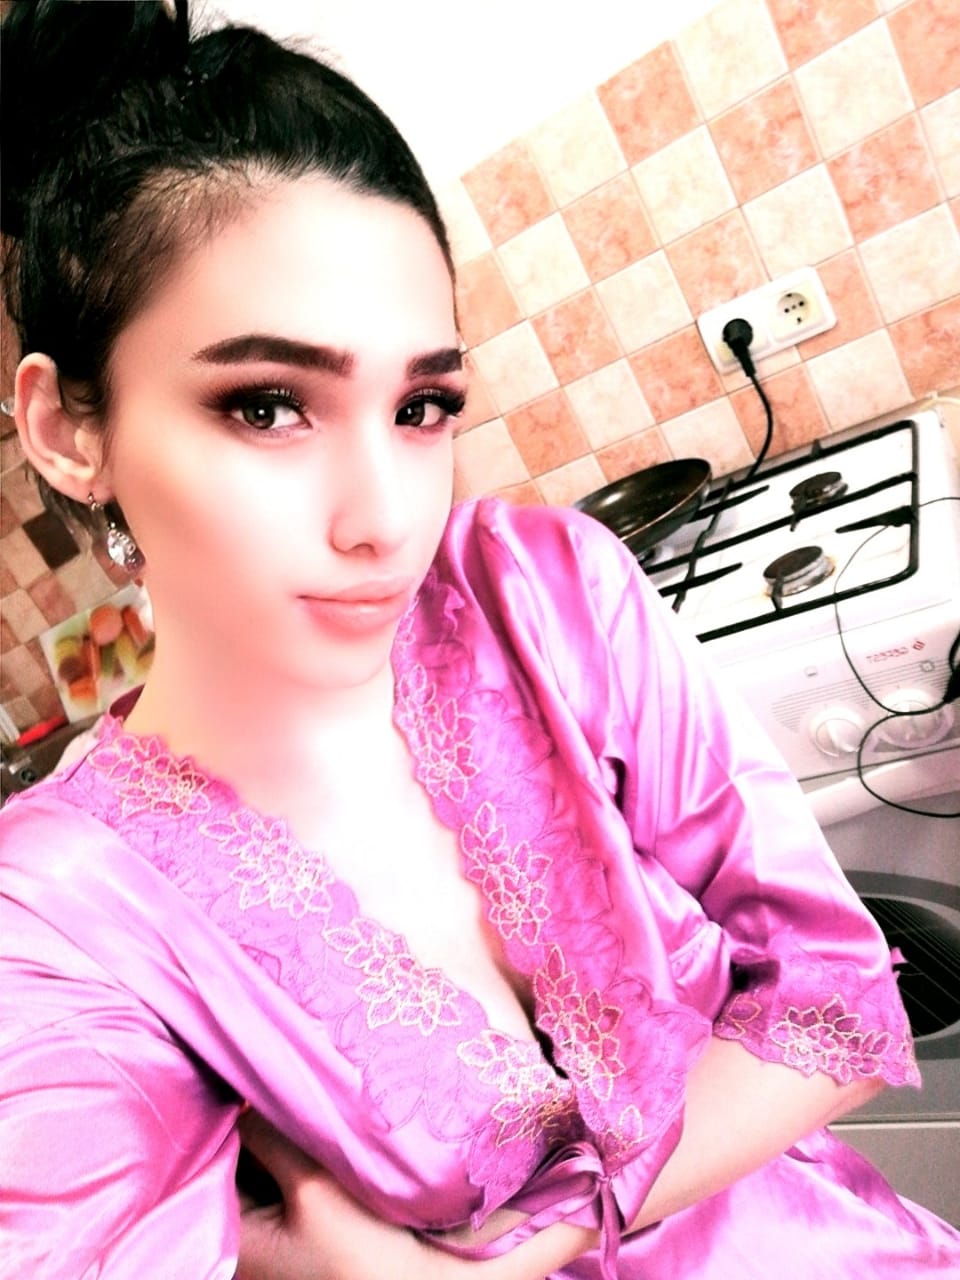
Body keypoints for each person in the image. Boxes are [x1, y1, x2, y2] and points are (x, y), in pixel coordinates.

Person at [0, 2, 958, 1277]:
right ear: (69, 431)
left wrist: (502, 1257)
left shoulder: (538, 596)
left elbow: (836, 994)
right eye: (268, 405)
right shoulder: (62, 916)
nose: (384, 518)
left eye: (422, 405)